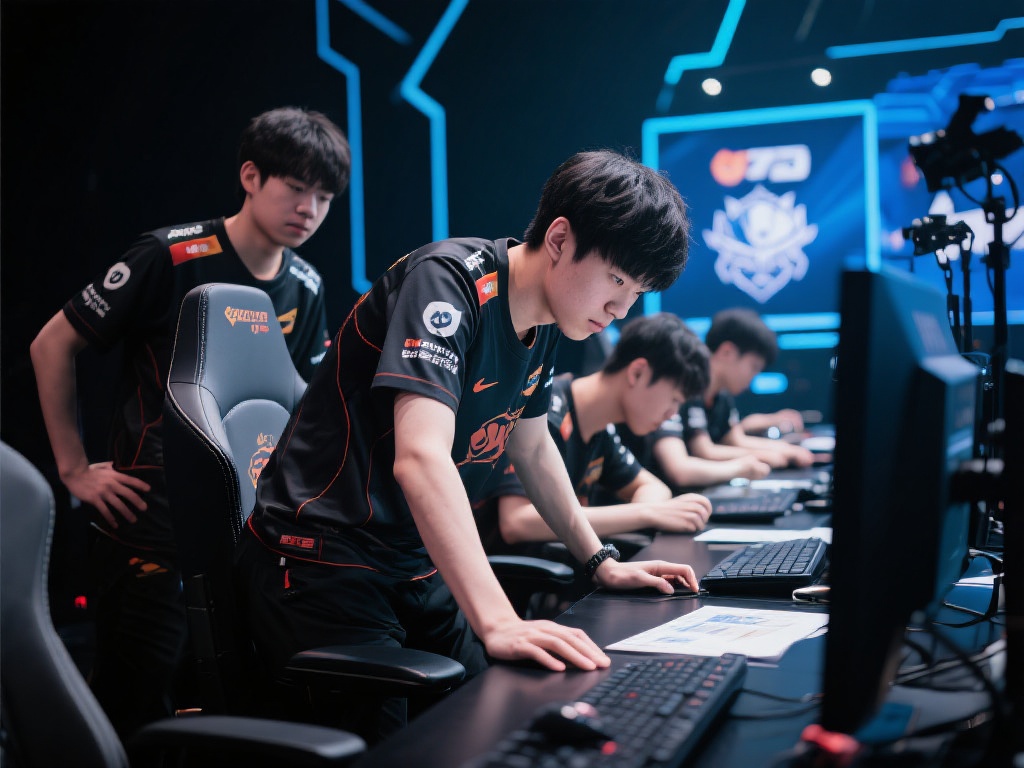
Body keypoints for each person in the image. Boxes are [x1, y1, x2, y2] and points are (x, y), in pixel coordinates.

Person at [234, 149, 700, 743]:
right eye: (616, 279)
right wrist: (499, 620)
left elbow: (532, 448)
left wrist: (599, 562)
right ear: (559, 239)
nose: (621, 308)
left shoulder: (546, 321)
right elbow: (421, 458)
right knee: (415, 744)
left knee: (513, 717)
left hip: (410, 566)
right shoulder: (447, 281)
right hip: (323, 563)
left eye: (635, 291)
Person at [29, 106, 351, 738]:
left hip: (245, 538)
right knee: (131, 704)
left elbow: (303, 411)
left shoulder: (306, 286)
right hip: (148, 525)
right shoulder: (169, 254)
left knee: (220, 709)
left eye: (324, 197)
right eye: (296, 188)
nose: (309, 209)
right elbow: (51, 344)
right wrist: (73, 468)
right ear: (251, 177)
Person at [473, 312, 713, 556]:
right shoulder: (543, 413)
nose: (672, 414)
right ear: (638, 373)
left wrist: (647, 512)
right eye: (674, 399)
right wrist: (646, 514)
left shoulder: (601, 430)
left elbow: (652, 486)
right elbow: (517, 522)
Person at [678, 308, 815, 469]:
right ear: (727, 352)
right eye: (753, 367)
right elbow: (704, 451)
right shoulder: (691, 387)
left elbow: (735, 440)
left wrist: (786, 449)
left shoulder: (722, 396)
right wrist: (766, 456)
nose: (753, 378)